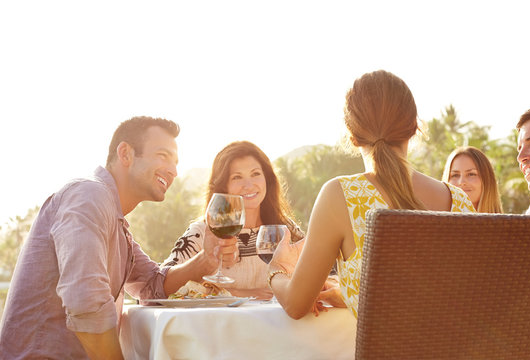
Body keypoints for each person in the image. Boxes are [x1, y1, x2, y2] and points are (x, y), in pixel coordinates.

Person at [0, 116, 238, 360]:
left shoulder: (116, 223)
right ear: (125, 153)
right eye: (163, 156)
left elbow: (151, 286)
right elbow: (86, 302)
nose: (174, 171)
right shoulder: (88, 196)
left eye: (176, 162)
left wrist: (207, 259)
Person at [267, 70, 476, 320]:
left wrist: (276, 270)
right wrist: (352, 294)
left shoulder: (342, 196)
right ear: (414, 127)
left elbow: (295, 304)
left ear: (353, 136)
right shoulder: (460, 201)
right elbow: (435, 294)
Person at [162, 141, 304, 300]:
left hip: (277, 324)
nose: (249, 185)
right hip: (218, 324)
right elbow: (161, 287)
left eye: (256, 174)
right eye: (237, 177)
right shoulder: (202, 233)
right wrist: (237, 294)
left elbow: (324, 273)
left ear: (267, 179)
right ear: (223, 186)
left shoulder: (285, 229)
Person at [442, 146, 503, 213]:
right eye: (455, 175)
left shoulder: (507, 222)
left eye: (471, 174)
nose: (461, 182)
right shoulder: (435, 220)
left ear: (487, 180)